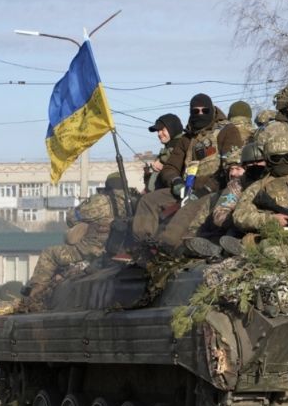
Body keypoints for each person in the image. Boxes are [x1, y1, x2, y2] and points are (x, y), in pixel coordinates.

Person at [132, 93, 243, 241]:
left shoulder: (227, 131)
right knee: (148, 201)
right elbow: (170, 167)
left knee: (185, 214)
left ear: (212, 110)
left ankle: (168, 248)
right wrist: (176, 182)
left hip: (215, 190)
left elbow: (231, 168)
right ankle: (142, 244)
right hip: (187, 189)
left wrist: (204, 190)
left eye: (205, 111)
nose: (200, 114)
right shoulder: (187, 138)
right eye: (196, 111)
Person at [22, 173, 129, 306]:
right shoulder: (132, 201)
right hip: (123, 250)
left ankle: (34, 296)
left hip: (91, 250)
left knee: (49, 253)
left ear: (108, 185)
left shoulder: (102, 201)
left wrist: (79, 213)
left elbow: (72, 217)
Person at [144, 113, 183, 192]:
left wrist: (164, 165)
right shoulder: (169, 146)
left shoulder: (180, 145)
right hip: (157, 194)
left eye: (162, 130)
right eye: (158, 131)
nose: (159, 134)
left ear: (172, 128)